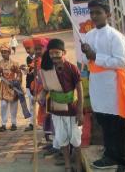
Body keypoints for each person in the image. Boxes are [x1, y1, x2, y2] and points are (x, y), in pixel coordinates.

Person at [81, 0, 125, 171]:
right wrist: (86, 53)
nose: (94, 16)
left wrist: (96, 56)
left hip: (113, 86)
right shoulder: (88, 35)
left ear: (107, 14)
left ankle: (124, 161)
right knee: (104, 122)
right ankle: (110, 155)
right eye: (92, 13)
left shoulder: (115, 36)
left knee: (118, 125)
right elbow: (85, 61)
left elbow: (121, 61)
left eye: (98, 12)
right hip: (97, 85)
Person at [41, 39, 84, 172]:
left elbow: (80, 89)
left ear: (63, 52)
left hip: (72, 110)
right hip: (57, 110)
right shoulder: (47, 70)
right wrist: (40, 96)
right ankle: (67, 165)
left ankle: (77, 164)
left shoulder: (72, 68)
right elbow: (46, 88)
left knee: (76, 140)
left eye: (57, 52)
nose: (54, 56)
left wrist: (80, 111)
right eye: (51, 53)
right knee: (62, 139)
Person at [0, 44, 22, 132]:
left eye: (5, 52)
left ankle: (14, 123)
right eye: (2, 52)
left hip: (13, 86)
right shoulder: (0, 63)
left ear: (9, 52)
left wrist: (17, 80)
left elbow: (19, 73)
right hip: (4, 86)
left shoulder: (14, 63)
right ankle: (3, 124)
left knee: (14, 105)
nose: (4, 54)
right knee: (3, 105)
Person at [22, 38, 36, 131]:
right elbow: (28, 71)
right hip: (29, 83)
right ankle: (31, 123)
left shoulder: (39, 57)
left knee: (42, 104)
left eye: (29, 48)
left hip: (38, 83)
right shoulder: (28, 58)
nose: (27, 50)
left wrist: (30, 70)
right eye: (26, 48)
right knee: (31, 103)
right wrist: (24, 69)